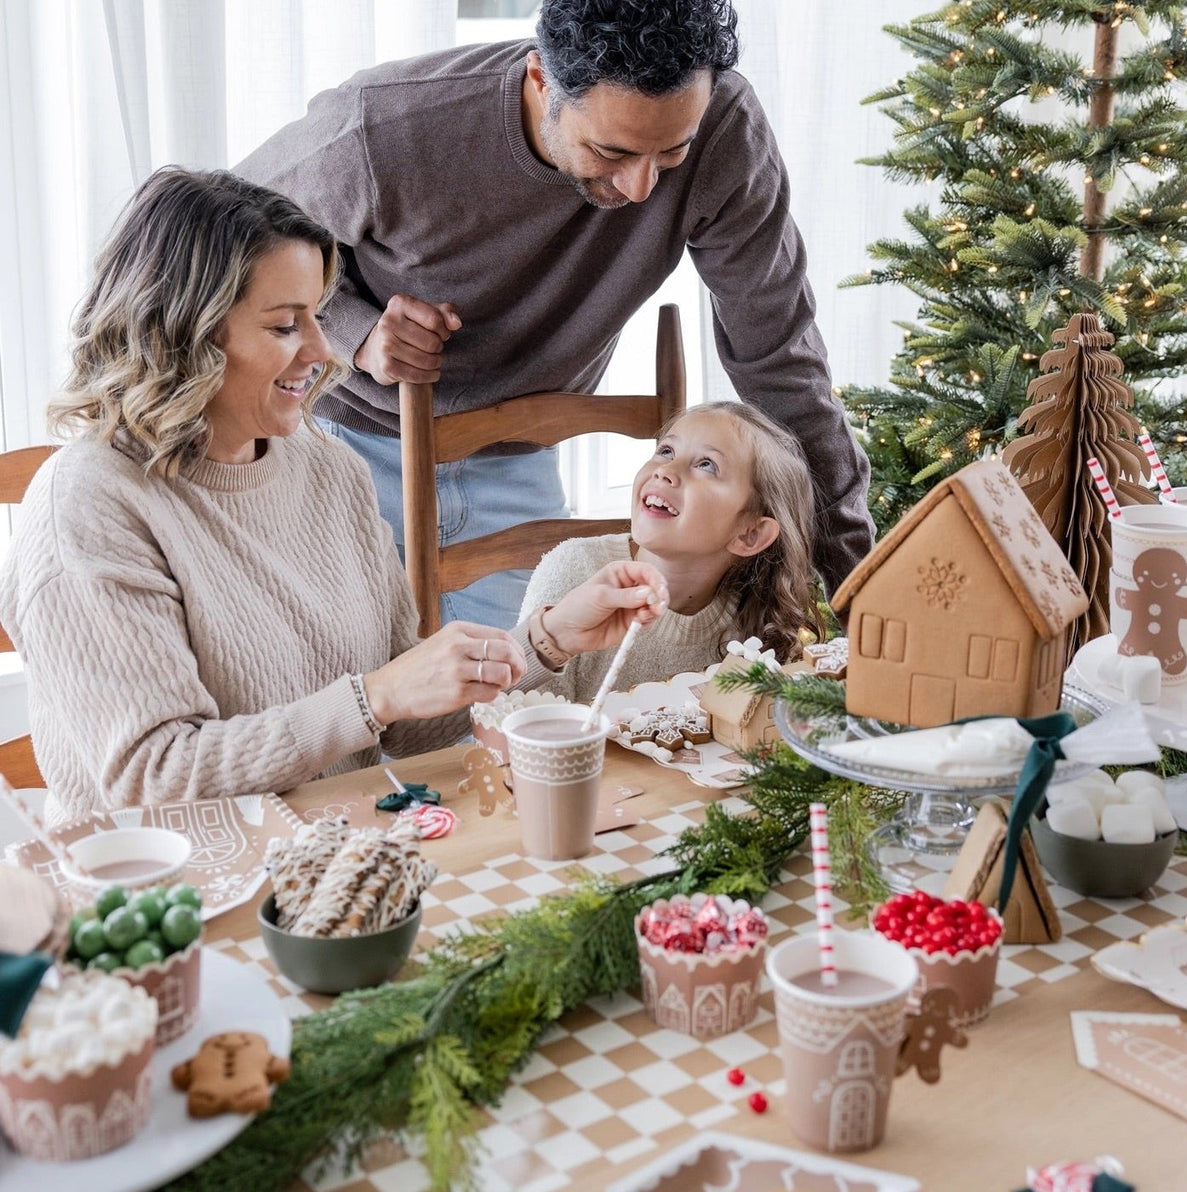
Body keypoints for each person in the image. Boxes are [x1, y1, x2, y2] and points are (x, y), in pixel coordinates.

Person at [0, 167, 666, 827]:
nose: (326, 351)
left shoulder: (328, 467)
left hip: (343, 853)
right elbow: (151, 779)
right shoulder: (90, 504)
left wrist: (546, 639)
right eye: (287, 325)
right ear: (183, 335)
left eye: (318, 317)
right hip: (173, 898)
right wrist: (373, 699)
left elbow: (406, 724)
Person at [234, 0, 873, 631]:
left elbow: (779, 353)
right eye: (612, 152)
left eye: (672, 154)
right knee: (354, 705)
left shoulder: (725, 128)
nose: (642, 189)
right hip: (344, 451)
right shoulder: (382, 125)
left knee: (522, 707)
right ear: (542, 80)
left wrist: (859, 592)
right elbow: (219, 244)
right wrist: (356, 333)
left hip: (521, 453)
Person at [519, 401, 822, 702]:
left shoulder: (752, 629)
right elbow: (516, 722)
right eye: (666, 451)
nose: (665, 471)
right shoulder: (576, 568)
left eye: (706, 464)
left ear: (750, 533)